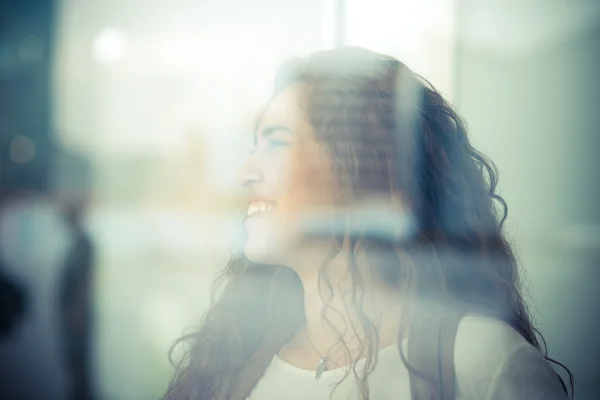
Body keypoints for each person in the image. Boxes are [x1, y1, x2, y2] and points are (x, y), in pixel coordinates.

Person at [163, 47, 572, 400]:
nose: (245, 174)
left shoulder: (482, 361)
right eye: (255, 145)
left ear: (367, 170)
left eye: (278, 142)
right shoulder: (236, 363)